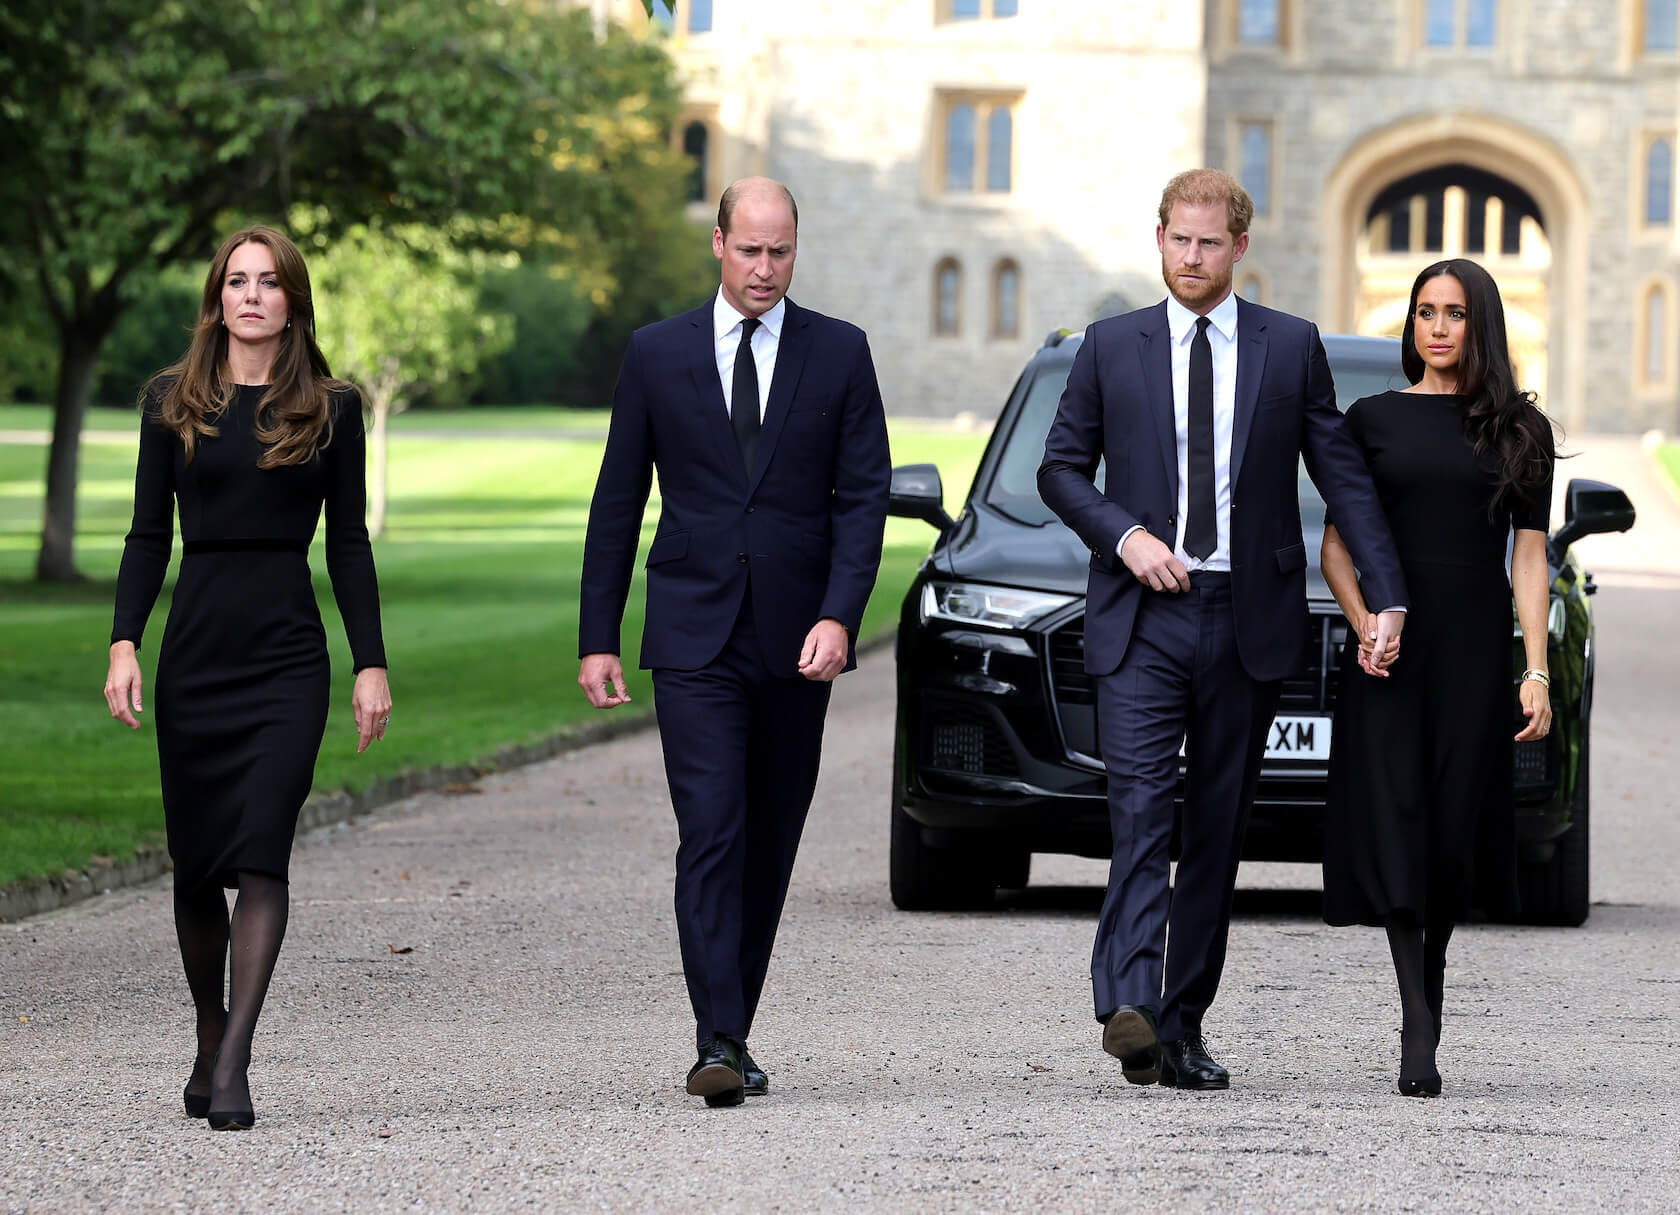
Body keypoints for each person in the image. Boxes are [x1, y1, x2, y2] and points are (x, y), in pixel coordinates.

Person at [1038, 169, 1408, 1091]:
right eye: (1178, 240)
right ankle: (1127, 1000)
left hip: (1249, 618)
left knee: (1215, 829)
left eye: (1210, 244)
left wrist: (1387, 591)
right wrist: (1126, 538)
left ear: (1240, 247)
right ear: (1157, 237)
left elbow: (1342, 476)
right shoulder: (1107, 346)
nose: (1192, 258)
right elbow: (1059, 469)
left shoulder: (1290, 349)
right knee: (1139, 809)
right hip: (1143, 615)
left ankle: (1182, 1023)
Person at [577, 177, 891, 1109]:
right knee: (711, 828)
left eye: (781, 251)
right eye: (749, 250)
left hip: (800, 638)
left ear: (797, 248)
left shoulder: (839, 352)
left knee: (770, 838)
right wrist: (599, 635)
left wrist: (840, 612)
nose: (765, 268)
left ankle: (733, 1025)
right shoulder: (656, 353)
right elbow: (617, 500)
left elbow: (864, 496)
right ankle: (716, 1034)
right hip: (693, 635)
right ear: (717, 244)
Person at [104, 225, 391, 1131]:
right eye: (237, 281)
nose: (253, 296)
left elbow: (347, 541)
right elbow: (149, 534)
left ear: (293, 300)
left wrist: (370, 661)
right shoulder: (172, 400)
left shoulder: (332, 408)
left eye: (269, 282)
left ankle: (234, 1060)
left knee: (263, 847)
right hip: (197, 652)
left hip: (286, 657)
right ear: (217, 296)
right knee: (196, 864)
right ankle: (207, 1025)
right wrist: (123, 643)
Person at [1321, 258, 1555, 1098]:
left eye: (1455, 312)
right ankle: (1418, 1018)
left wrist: (1535, 669)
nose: (1439, 327)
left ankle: (1434, 975)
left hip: (1474, 648)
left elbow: (1531, 556)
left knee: (1453, 823)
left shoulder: (1522, 429)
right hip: (1394, 651)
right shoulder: (1372, 419)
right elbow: (1339, 544)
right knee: (1397, 818)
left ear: (1480, 322)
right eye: (1425, 312)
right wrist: (1363, 625)